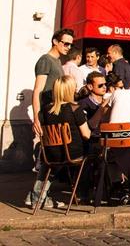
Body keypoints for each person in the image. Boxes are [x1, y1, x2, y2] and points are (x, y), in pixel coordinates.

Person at [25, 75, 90, 209]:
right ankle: (82, 194)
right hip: (73, 154)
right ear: (70, 90)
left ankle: (36, 198)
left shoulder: (44, 110)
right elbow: (86, 134)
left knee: (47, 165)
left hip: (51, 154)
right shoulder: (74, 109)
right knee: (93, 156)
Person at [32, 28, 74, 138]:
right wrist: (36, 117)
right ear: (55, 41)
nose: (69, 47)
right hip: (48, 112)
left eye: (70, 45)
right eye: (66, 44)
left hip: (56, 111)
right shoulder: (45, 60)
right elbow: (38, 90)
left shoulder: (58, 61)